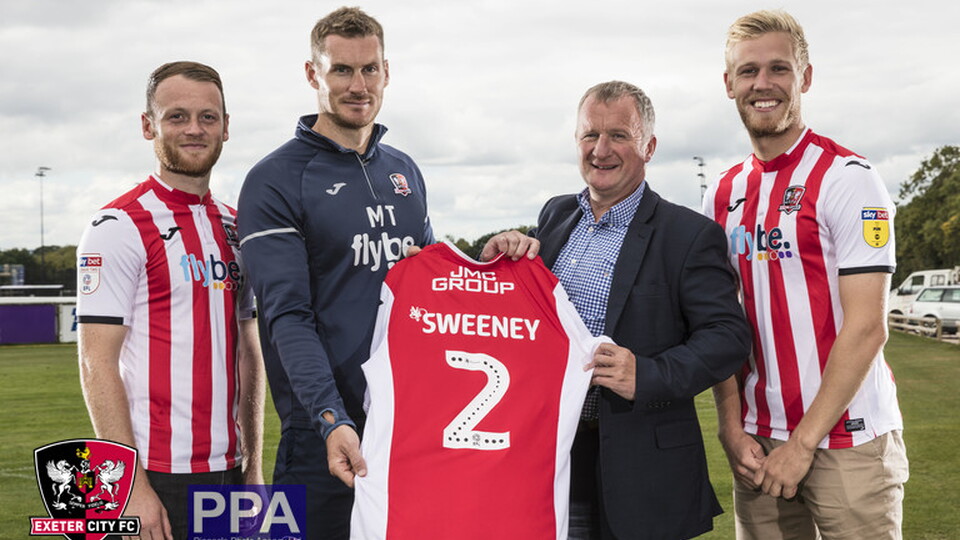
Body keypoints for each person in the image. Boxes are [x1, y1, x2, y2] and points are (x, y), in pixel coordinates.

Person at [236, 7, 534, 539]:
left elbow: (433, 289)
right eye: (341, 70)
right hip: (323, 437)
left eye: (369, 69)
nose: (358, 85)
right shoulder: (274, 180)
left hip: (408, 428)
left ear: (386, 72)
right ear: (312, 74)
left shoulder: (404, 169)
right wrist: (331, 418)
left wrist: (486, 265)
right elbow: (287, 318)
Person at [704, 10, 909, 539]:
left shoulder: (848, 179)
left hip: (848, 440)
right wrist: (730, 427)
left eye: (779, 68)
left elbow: (867, 326)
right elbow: (717, 323)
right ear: (729, 84)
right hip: (757, 441)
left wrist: (801, 445)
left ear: (806, 77)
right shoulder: (721, 193)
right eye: (748, 71)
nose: (763, 84)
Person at [532, 80, 751, 540]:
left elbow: (728, 338)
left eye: (619, 135)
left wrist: (647, 374)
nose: (601, 150)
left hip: (644, 471)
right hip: (554, 461)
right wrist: (502, 260)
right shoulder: (554, 216)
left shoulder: (688, 234)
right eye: (591, 135)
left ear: (649, 146)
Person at [77, 61, 265, 540]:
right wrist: (129, 485)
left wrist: (254, 465)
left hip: (232, 466)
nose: (194, 129)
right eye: (176, 116)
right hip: (156, 473)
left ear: (226, 127)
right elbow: (96, 361)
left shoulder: (238, 226)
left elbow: (249, 350)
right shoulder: (117, 226)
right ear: (148, 126)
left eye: (208, 117)